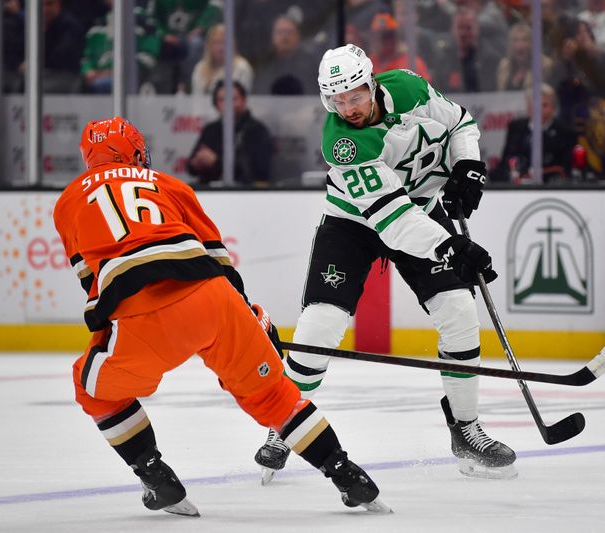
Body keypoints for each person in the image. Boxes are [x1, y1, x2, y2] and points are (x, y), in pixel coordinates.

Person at [53, 116, 390, 516]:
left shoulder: (68, 201)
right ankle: (347, 475)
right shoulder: (169, 184)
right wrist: (252, 318)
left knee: (91, 387)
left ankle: (156, 478)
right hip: (212, 297)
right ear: (136, 151)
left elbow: (93, 284)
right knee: (273, 395)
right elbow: (218, 259)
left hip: (144, 312)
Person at [253, 44, 516, 483]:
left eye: (354, 96)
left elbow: (460, 123)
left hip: (420, 208)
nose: (348, 108)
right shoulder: (341, 143)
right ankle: (283, 423)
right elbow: (394, 221)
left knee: (459, 309)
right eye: (337, 100)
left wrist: (467, 166)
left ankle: (466, 428)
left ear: (370, 83)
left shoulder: (409, 88)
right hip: (355, 221)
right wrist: (451, 246)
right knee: (320, 325)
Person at [187, 80, 272, 185]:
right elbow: (190, 167)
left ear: (243, 101)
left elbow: (256, 171)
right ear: (216, 104)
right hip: (210, 192)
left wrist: (216, 162)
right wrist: (196, 163)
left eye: (233, 99)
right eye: (222, 100)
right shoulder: (211, 130)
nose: (228, 104)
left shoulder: (257, 131)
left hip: (245, 194)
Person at [491, 83, 576, 183]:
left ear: (553, 108)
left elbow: (565, 169)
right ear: (528, 107)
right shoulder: (516, 127)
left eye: (544, 105)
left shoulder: (565, 132)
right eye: (535, 104)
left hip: (550, 188)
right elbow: (506, 161)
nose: (539, 109)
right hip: (516, 187)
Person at [190, 23, 253, 95]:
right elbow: (196, 98)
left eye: (224, 42)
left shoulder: (242, 68)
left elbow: (240, 100)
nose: (221, 47)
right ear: (209, 45)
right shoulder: (200, 67)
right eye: (216, 42)